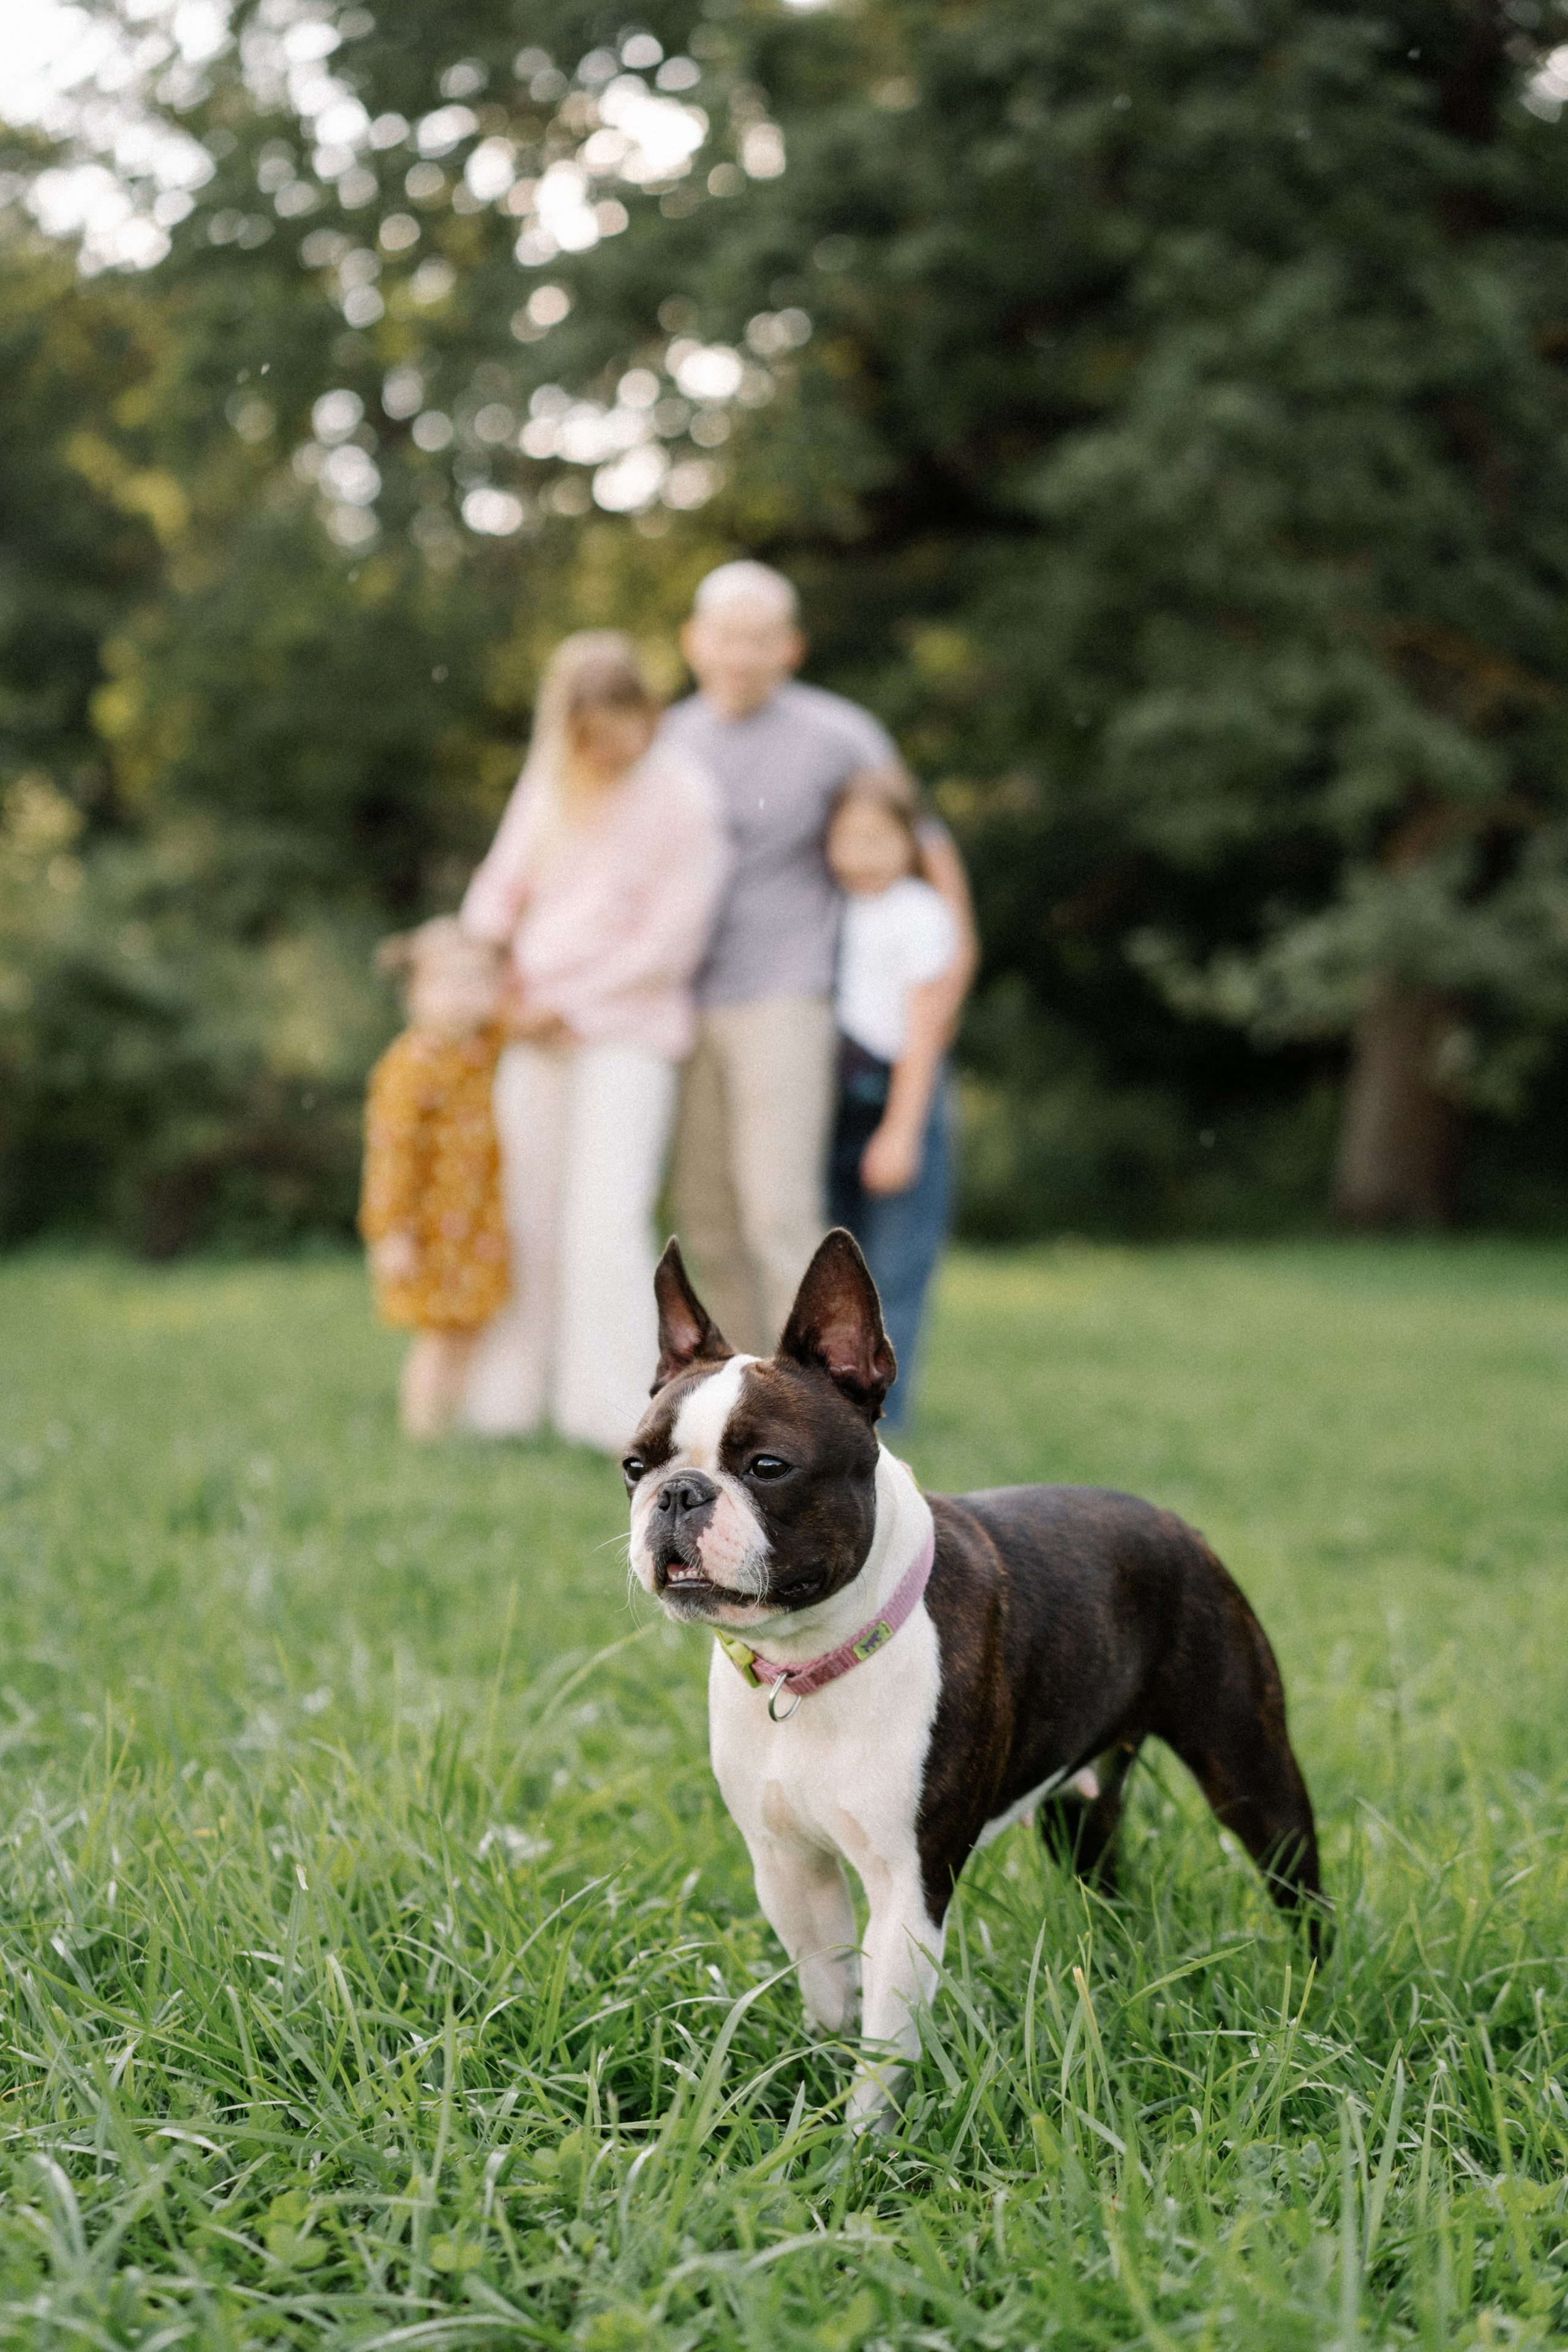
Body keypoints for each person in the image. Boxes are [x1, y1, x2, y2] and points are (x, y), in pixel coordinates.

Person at [663, 560, 976, 1357]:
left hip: (788, 999)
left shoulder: (840, 733)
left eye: (761, 639)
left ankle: (820, 1393)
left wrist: (955, 960)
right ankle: (734, 1388)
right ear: (696, 642)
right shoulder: (670, 742)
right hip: (680, 1002)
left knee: (778, 1211)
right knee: (707, 1216)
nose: (742, 655)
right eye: (728, 637)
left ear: (790, 648)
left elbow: (928, 848)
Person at [458, 632, 730, 1451]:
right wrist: (501, 988)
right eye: (592, 736)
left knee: (607, 1220)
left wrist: (562, 1000)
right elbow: (496, 893)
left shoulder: (686, 792)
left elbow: (672, 939)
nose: (611, 750)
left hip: (628, 1033)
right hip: (534, 1031)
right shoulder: (547, 784)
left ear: (649, 714)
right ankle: (505, 1402)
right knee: (525, 1210)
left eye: (624, 728)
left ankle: (612, 1410)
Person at [825, 771, 962, 1426]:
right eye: (848, 839)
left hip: (902, 1096)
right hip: (839, 1100)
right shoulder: (831, 907)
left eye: (879, 840)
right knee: (838, 1260)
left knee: (894, 1269)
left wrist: (902, 1131)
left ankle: (887, 1417)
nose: (862, 855)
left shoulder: (920, 913)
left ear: (911, 844)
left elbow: (924, 1031)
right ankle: (829, 1404)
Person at [360, 919, 510, 1439]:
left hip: (478, 1227)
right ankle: (422, 1429)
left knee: (471, 1332)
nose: (461, 998)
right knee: (438, 1336)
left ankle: (456, 1423)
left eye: (476, 982)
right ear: (416, 994)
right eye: (445, 984)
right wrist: (392, 1231)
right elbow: (391, 1159)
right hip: (431, 1230)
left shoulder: (488, 1049)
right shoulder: (408, 1066)